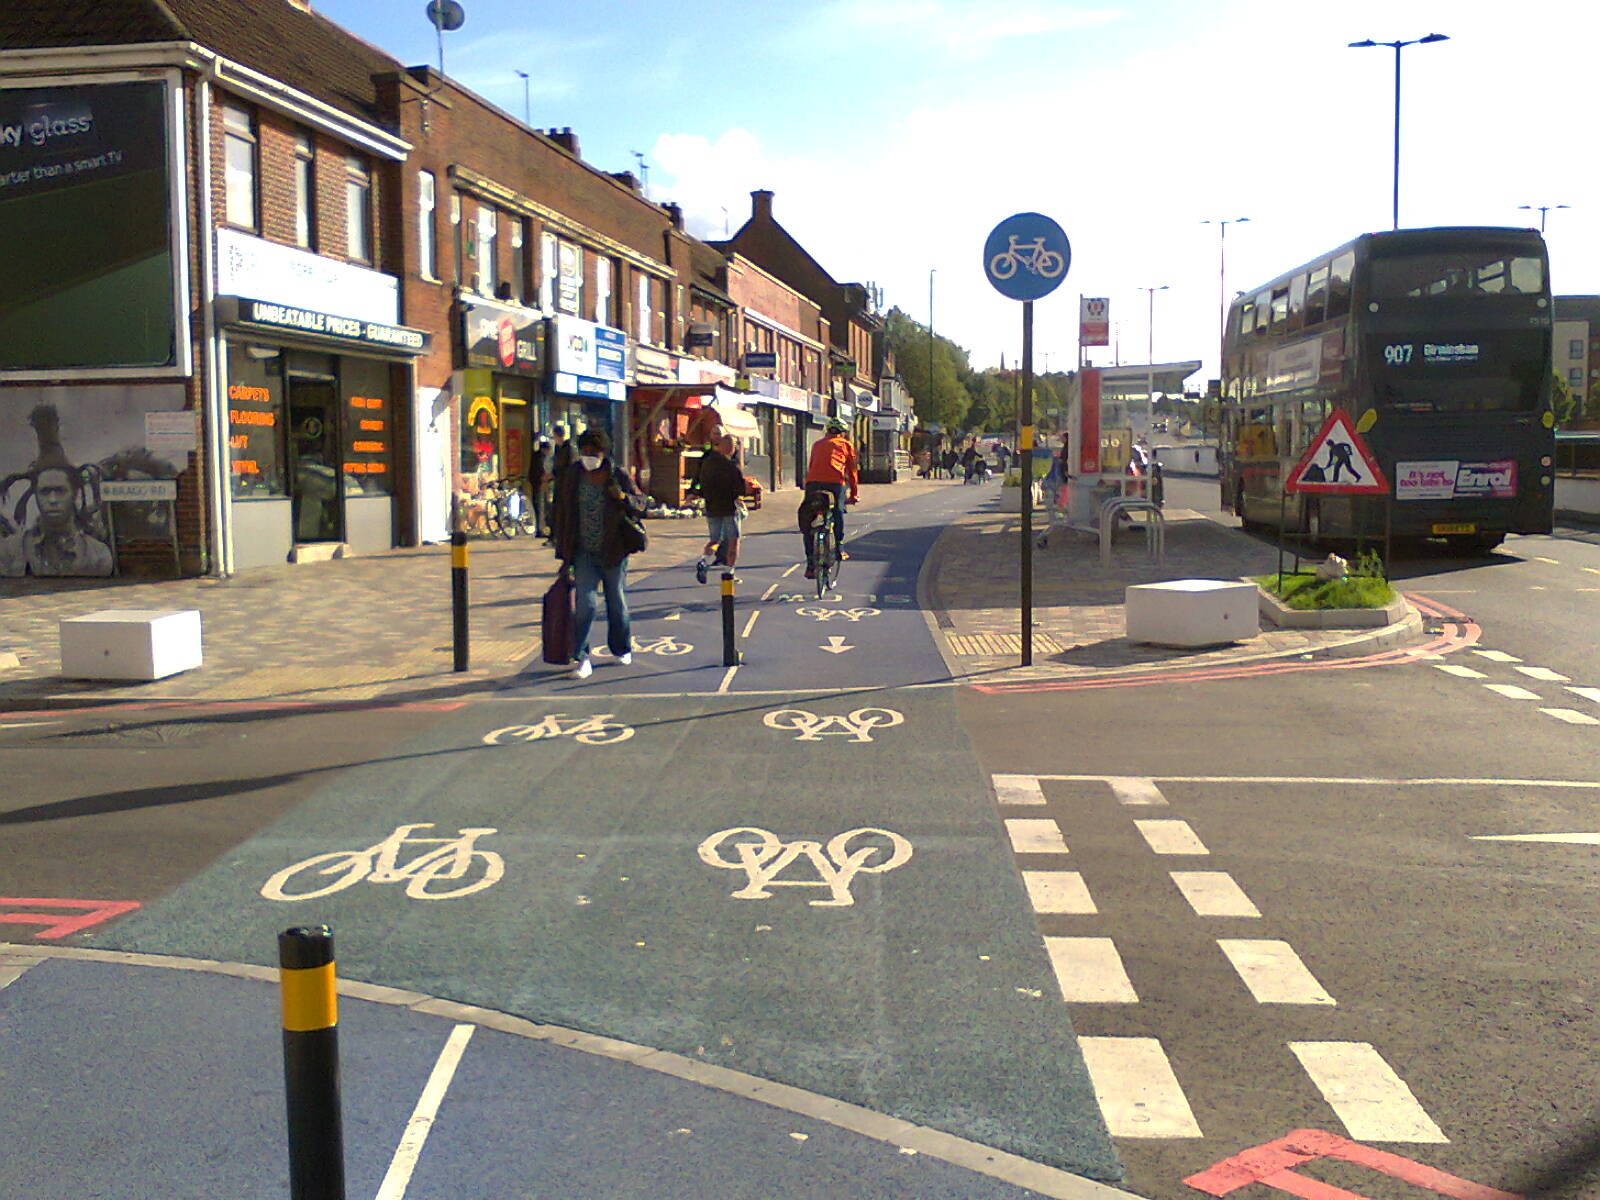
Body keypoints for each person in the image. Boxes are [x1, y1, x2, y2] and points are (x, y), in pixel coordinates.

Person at [549, 429, 648, 680]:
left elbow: (641, 504)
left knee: (616, 602)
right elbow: (561, 511)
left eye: (594, 453)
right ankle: (581, 657)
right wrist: (562, 550)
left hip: (613, 551)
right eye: (584, 452)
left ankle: (621, 647)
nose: (588, 457)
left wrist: (622, 497)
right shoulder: (574, 475)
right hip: (583, 552)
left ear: (604, 453)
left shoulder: (616, 475)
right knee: (586, 604)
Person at [802, 418, 858, 579]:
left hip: (813, 483)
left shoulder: (817, 444)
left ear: (827, 431)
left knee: (809, 521)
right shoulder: (846, 445)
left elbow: (812, 466)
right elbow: (852, 472)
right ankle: (839, 547)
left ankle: (810, 565)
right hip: (835, 483)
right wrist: (854, 494)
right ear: (843, 433)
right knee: (838, 510)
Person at [690, 430, 747, 584]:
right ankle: (729, 573)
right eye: (733, 446)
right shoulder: (732, 467)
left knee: (714, 540)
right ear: (729, 448)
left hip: (712, 508)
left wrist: (696, 494)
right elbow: (741, 489)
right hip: (729, 508)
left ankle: (703, 560)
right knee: (733, 542)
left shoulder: (708, 463)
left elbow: (701, 483)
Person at [528, 436, 552, 538]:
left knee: (539, 508)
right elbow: (540, 473)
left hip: (536, 485)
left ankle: (540, 529)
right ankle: (541, 530)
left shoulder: (536, 457)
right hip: (539, 485)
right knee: (541, 508)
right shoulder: (540, 458)